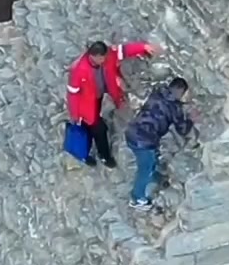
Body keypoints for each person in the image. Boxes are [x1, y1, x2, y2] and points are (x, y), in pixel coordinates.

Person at [66, 38, 158, 168]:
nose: (104, 60)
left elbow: (124, 50)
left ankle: (91, 152)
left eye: (105, 57)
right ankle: (102, 156)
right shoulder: (78, 70)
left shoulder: (108, 55)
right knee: (99, 129)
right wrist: (75, 115)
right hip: (86, 105)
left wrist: (143, 47)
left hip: (99, 95)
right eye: (101, 58)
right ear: (93, 56)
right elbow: (73, 94)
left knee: (92, 128)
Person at [125, 77, 197, 208]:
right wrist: (191, 119)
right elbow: (183, 130)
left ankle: (154, 176)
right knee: (145, 168)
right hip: (144, 141)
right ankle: (137, 198)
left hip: (132, 131)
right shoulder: (174, 107)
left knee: (149, 160)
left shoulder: (157, 92)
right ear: (182, 92)